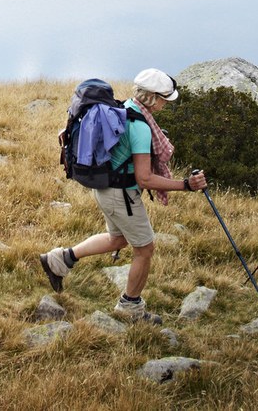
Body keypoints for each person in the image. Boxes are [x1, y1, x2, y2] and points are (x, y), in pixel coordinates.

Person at [38, 68, 206, 324]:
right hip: (122, 196)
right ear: (152, 98)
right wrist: (186, 185)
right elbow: (144, 178)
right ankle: (130, 307)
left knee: (117, 239)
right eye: (164, 99)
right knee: (145, 249)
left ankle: (59, 259)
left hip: (106, 189)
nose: (165, 104)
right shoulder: (140, 127)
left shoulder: (125, 108)